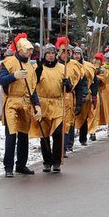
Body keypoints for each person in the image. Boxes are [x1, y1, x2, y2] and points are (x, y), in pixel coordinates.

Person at [0, 33, 41, 177]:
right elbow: (2, 80)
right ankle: (8, 167)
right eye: (28, 50)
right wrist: (14, 76)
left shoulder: (30, 66)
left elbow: (33, 89)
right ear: (21, 50)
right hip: (12, 102)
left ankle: (21, 165)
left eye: (31, 50)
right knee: (11, 136)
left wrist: (37, 105)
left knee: (24, 136)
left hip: (26, 103)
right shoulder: (8, 62)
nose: (31, 52)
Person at [31, 44, 72, 173]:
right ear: (44, 55)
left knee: (58, 133)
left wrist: (67, 85)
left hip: (58, 104)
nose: (50, 55)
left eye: (53, 53)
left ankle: (56, 162)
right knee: (44, 135)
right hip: (43, 104)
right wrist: (36, 74)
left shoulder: (62, 68)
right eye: (48, 53)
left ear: (56, 55)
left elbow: (69, 88)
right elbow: (32, 85)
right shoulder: (39, 67)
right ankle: (47, 161)